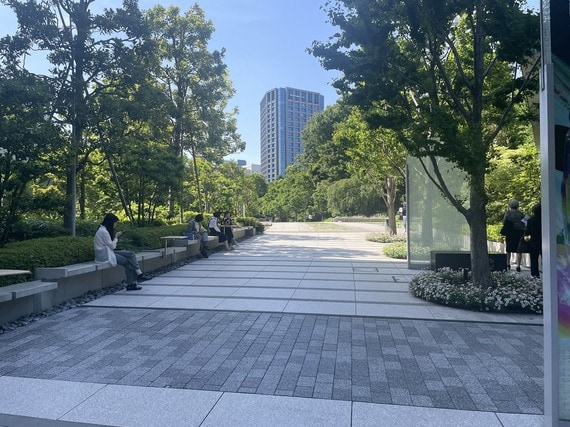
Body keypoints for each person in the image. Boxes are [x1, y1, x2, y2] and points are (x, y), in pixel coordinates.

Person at [94, 213, 148, 291]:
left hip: (108, 252)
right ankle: (131, 284)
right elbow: (112, 246)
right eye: (115, 223)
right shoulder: (103, 232)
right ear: (111, 222)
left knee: (131, 254)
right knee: (128, 262)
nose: (115, 225)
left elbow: (110, 245)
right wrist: (116, 237)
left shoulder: (103, 230)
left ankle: (139, 274)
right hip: (105, 255)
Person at [502, 199, 526, 272]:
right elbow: (526, 222)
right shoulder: (521, 214)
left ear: (510, 205)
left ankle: (508, 264)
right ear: (517, 205)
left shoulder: (508, 213)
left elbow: (504, 222)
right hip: (519, 232)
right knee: (519, 249)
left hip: (510, 232)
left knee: (509, 248)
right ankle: (518, 265)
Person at [524, 203, 542, 278]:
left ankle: (535, 274)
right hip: (545, 241)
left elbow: (527, 232)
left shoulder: (531, 220)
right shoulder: (546, 219)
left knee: (534, 259)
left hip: (534, 241)